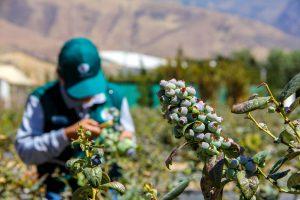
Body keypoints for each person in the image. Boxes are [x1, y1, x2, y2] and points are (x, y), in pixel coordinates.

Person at [15, 38, 135, 199]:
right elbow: (25, 152)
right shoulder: (42, 100)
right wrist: (65, 135)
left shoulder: (116, 97)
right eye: (78, 87)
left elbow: (131, 142)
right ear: (59, 75)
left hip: (106, 192)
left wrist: (125, 144)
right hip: (59, 192)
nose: (86, 94)